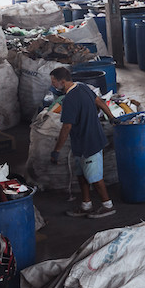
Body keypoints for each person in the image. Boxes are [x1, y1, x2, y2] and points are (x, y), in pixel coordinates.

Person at [48, 67, 116, 219]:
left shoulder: (69, 100)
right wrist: (110, 116)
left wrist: (56, 150)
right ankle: (86, 204)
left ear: (62, 81)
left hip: (89, 142)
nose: (52, 85)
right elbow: (99, 101)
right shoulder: (83, 87)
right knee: (81, 174)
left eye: (54, 82)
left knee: (95, 177)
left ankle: (107, 205)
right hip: (80, 143)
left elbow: (66, 127)